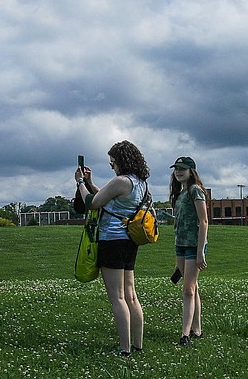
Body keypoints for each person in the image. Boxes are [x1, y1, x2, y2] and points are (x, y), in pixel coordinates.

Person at [74, 140, 149, 356]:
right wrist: (91, 182)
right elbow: (109, 200)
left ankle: (124, 349)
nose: (113, 167)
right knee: (131, 296)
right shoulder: (139, 182)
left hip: (112, 241)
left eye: (113, 163)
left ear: (121, 161)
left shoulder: (120, 181)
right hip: (130, 242)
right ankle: (137, 345)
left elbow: (93, 202)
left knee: (117, 297)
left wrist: (80, 182)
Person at [169, 156, 209, 346]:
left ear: (191, 171)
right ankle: (197, 329)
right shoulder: (180, 193)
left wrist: (201, 250)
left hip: (194, 245)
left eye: (182, 169)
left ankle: (185, 334)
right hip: (181, 245)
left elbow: (204, 221)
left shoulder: (195, 190)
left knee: (188, 289)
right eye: (176, 169)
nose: (178, 172)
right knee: (192, 288)